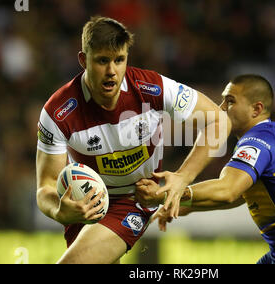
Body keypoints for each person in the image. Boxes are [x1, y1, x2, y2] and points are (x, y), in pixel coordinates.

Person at [35, 16, 230, 264]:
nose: (111, 71)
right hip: (83, 204)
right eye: (102, 61)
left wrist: (183, 176)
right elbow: (45, 188)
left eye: (119, 60)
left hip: (134, 198)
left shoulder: (152, 88)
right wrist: (59, 210)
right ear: (84, 60)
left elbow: (219, 121)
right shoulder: (58, 111)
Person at [135, 74, 275, 264]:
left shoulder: (259, 141)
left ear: (256, 109)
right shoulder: (269, 135)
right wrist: (187, 205)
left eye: (230, 101)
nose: (221, 108)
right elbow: (242, 194)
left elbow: (228, 190)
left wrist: (166, 194)